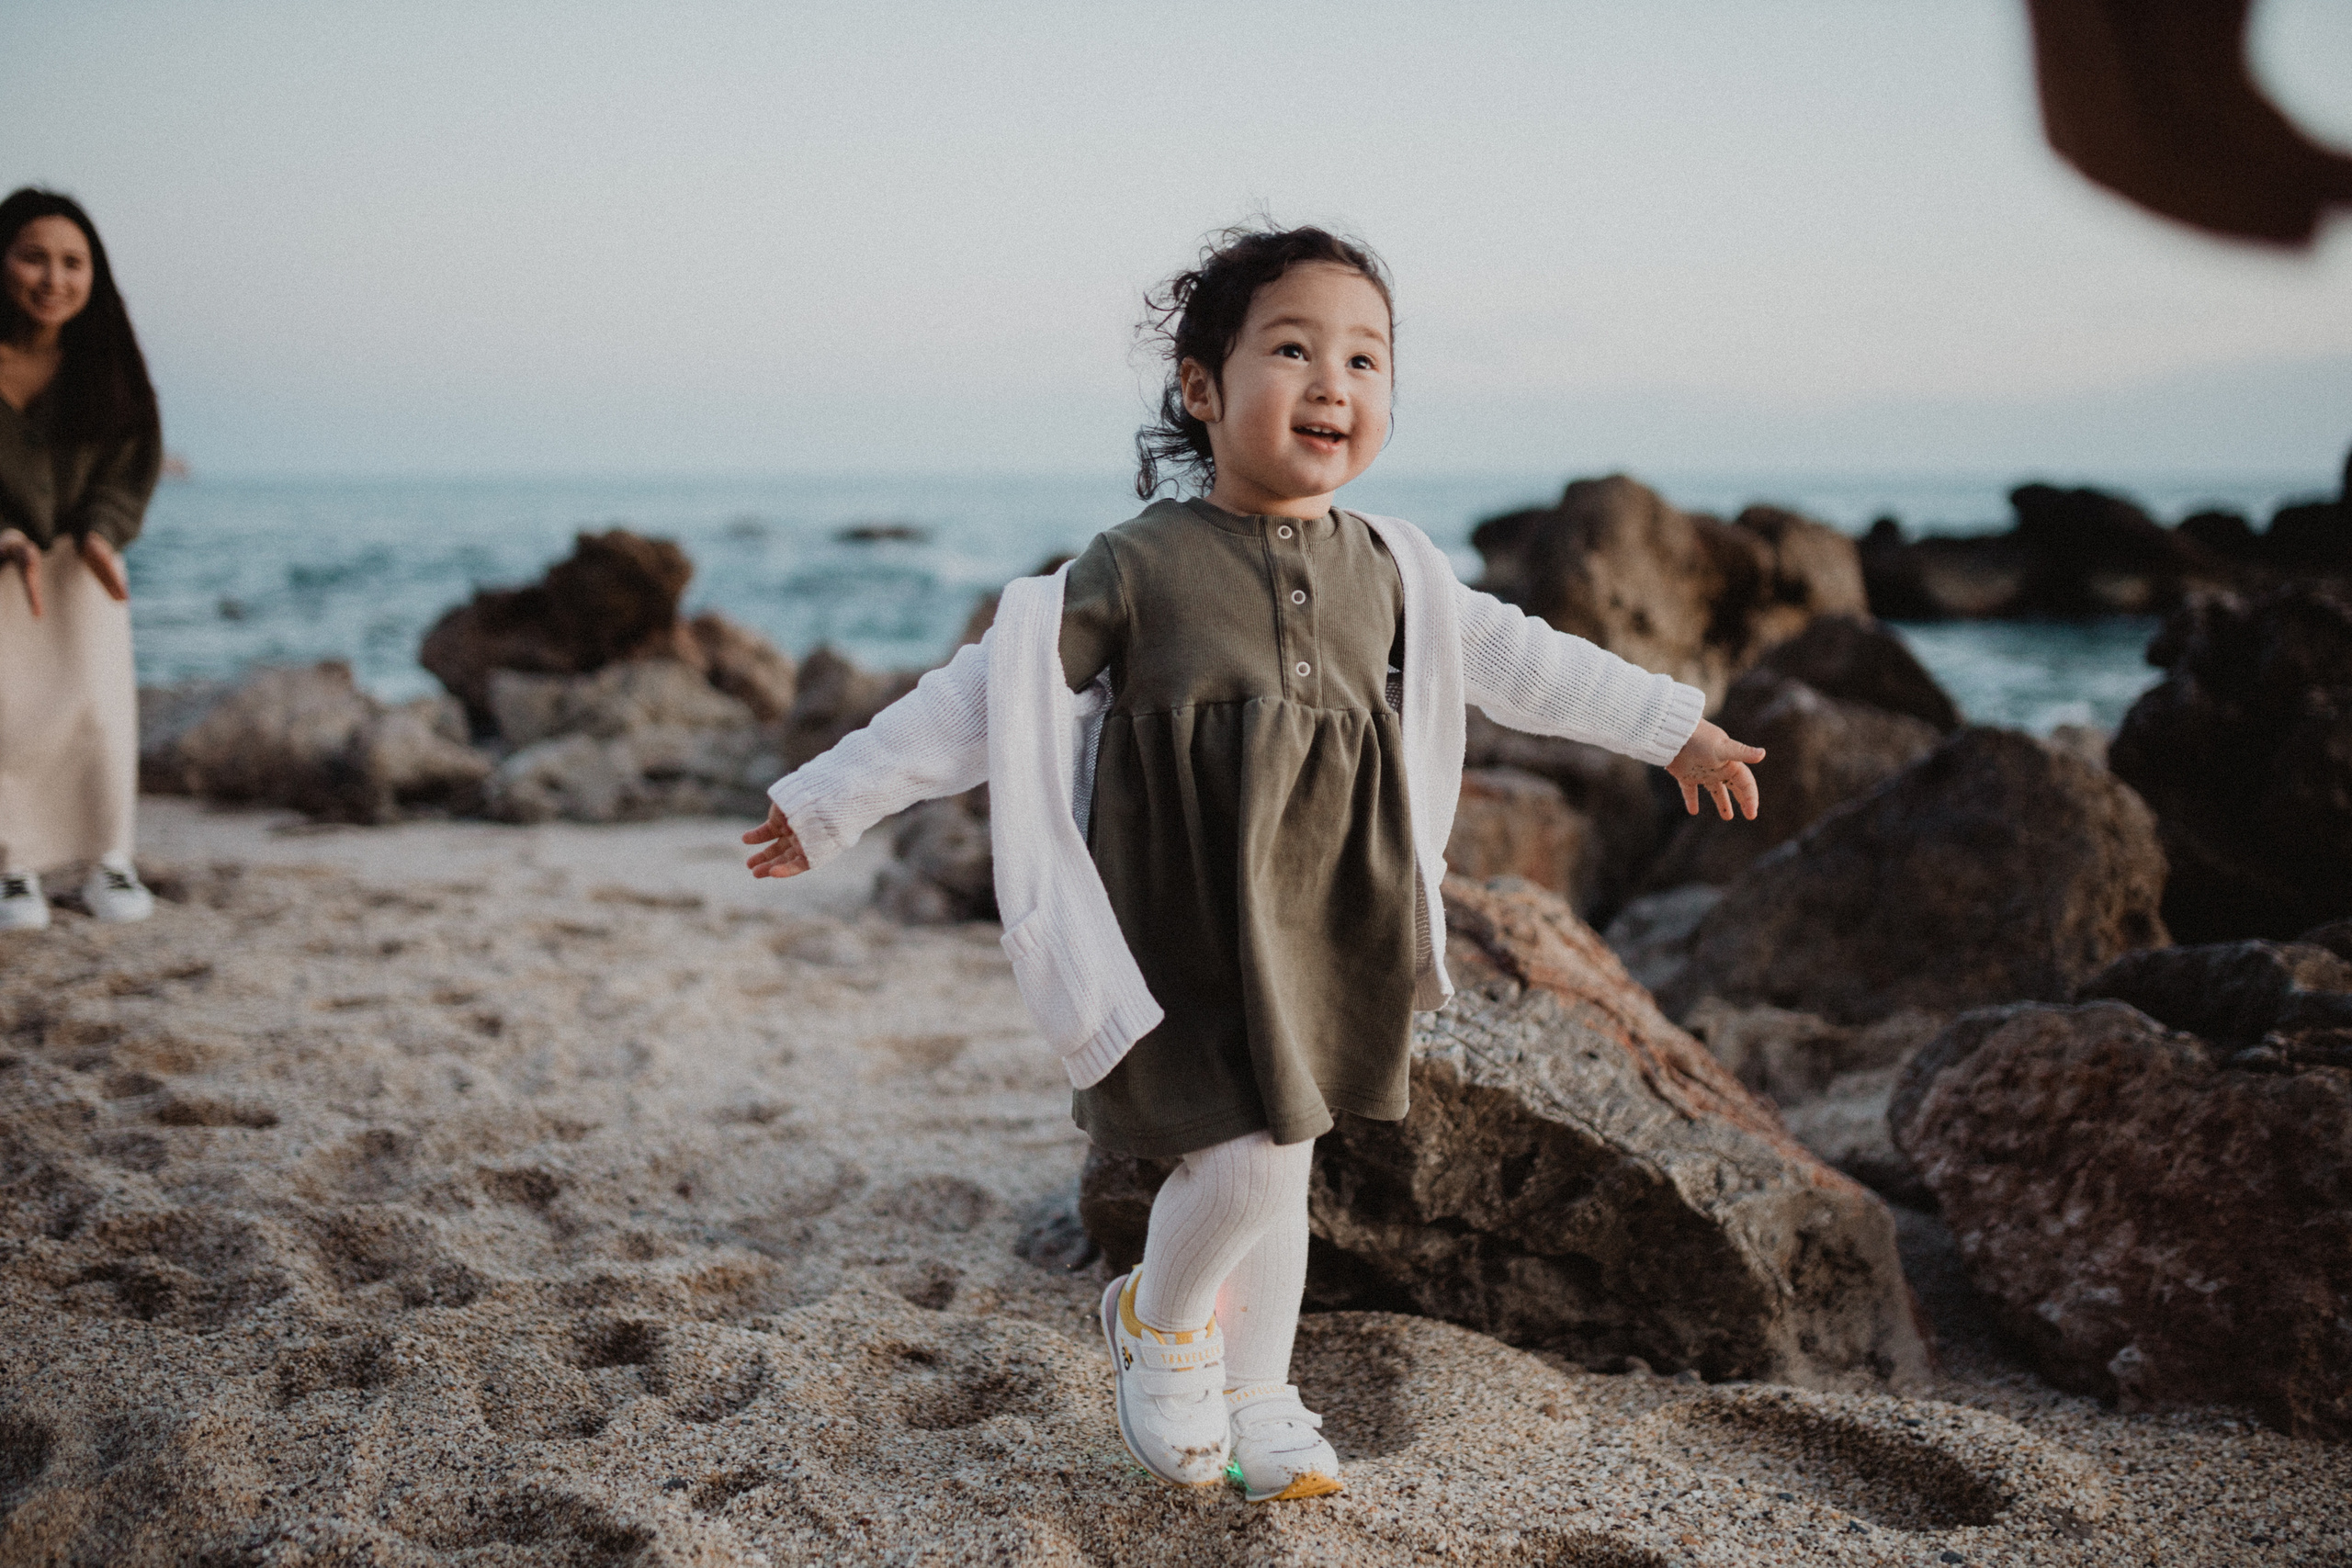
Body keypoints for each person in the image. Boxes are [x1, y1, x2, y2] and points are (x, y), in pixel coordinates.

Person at [741, 225, 1764, 1503]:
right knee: (1244, 1162)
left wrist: (1673, 727)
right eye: (1292, 348)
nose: (1333, 381)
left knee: (1292, 1152)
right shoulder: (1143, 564)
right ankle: (1162, 1321)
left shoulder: (1395, 571)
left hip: (1330, 916)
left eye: (1365, 357)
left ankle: (1257, 1386)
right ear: (1203, 388)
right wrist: (831, 798)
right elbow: (980, 696)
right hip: (1183, 925)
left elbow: (1527, 663)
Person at [0, 189, 164, 931]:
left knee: (98, 709)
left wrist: (103, 529)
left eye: (72, 262)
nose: (53, 278)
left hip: (83, 563)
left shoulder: (105, 363)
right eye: (33, 256)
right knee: (6, 715)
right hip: (3, 563)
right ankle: (12, 867)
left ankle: (108, 858)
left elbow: (134, 460)